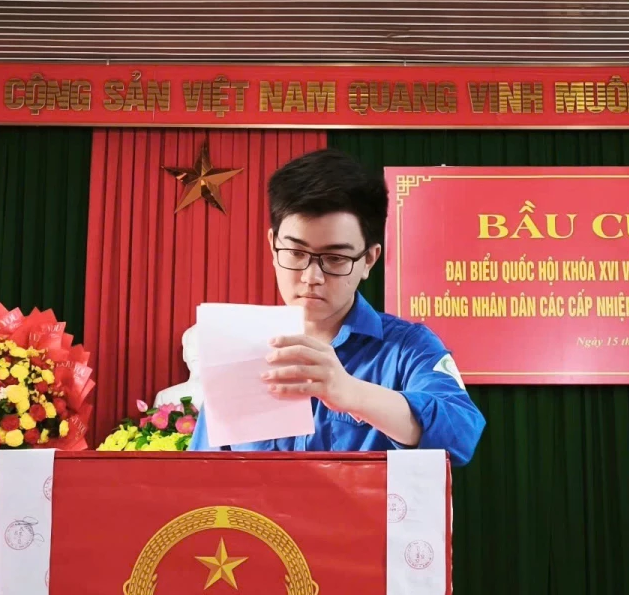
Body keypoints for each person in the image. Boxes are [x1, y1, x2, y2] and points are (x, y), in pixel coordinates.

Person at [189, 150, 485, 466]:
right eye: (296, 253)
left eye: (335, 258)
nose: (311, 277)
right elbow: (203, 472)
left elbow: (461, 434)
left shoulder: (408, 348)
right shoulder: (238, 351)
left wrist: (351, 393)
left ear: (369, 259)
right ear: (273, 246)